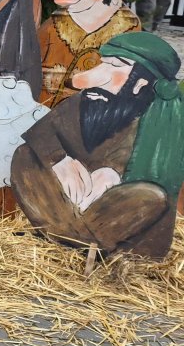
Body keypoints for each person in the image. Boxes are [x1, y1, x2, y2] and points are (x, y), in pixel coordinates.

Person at [12, 32, 184, 260]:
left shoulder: (160, 121)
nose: (93, 79)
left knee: (152, 196)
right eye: (103, 63)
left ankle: (74, 240)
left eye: (115, 66)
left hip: (111, 218)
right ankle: (67, 236)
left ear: (140, 83)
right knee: (26, 155)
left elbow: (154, 176)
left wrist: (111, 173)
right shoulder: (86, 100)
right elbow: (41, 132)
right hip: (65, 205)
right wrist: (60, 160)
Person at [37, 0, 140, 108]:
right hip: (42, 102)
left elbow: (122, 76)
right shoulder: (58, 20)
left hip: (87, 108)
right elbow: (33, 53)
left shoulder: (127, 30)